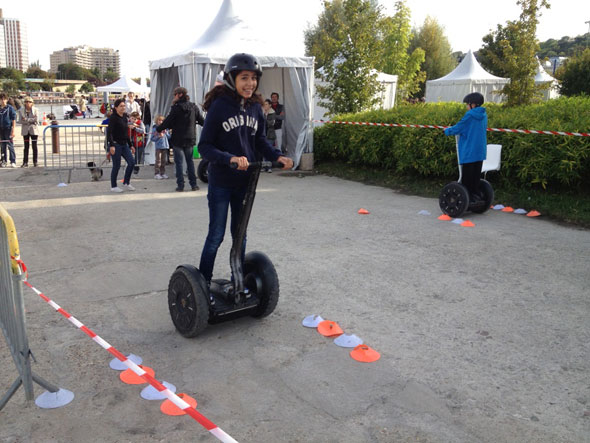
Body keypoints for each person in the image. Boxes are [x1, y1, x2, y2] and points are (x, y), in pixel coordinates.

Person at [198, 53, 293, 285]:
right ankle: (202, 284)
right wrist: (229, 158)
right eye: (244, 78)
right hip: (221, 183)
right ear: (232, 79)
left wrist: (278, 156)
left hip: (245, 184)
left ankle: (237, 281)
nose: (250, 83)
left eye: (253, 78)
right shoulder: (219, 107)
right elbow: (204, 146)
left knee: (240, 236)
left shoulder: (255, 108)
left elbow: (260, 141)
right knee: (216, 236)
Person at [156, 87, 204, 192]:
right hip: (190, 138)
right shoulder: (193, 107)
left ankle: (180, 185)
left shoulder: (176, 108)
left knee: (179, 162)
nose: (173, 97)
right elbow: (201, 121)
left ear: (180, 94)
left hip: (178, 139)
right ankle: (194, 185)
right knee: (190, 162)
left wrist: (158, 129)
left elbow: (167, 121)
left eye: (175, 95)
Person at [444, 92, 488, 203]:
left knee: (467, 180)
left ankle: (468, 200)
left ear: (473, 104)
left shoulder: (470, 115)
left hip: (469, 151)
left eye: (467, 104)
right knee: (475, 178)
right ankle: (476, 195)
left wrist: (447, 130)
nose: (466, 107)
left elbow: (459, 127)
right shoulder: (484, 115)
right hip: (480, 151)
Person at [107, 98, 136, 192]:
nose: (123, 107)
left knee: (131, 162)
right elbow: (109, 132)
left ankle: (126, 182)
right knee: (117, 165)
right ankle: (113, 186)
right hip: (115, 144)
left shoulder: (124, 117)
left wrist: (131, 145)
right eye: (121, 106)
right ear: (116, 107)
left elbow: (126, 132)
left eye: (124, 106)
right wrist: (111, 145)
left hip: (124, 144)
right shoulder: (113, 118)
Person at [18, 96, 39, 167]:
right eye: (26, 102)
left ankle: (35, 161)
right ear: (24, 103)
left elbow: (36, 120)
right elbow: (20, 121)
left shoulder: (35, 110)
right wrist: (30, 120)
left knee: (34, 146)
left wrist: (26, 120)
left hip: (33, 130)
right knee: (26, 146)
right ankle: (25, 162)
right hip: (25, 130)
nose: (28, 103)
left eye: (29, 102)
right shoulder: (21, 110)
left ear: (32, 103)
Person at [150, 114, 170, 180]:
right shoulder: (155, 128)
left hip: (165, 146)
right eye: (159, 120)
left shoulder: (165, 128)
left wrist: (166, 133)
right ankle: (156, 173)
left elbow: (169, 137)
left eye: (162, 120)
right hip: (158, 147)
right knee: (158, 160)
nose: (160, 122)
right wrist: (158, 136)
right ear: (156, 121)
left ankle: (163, 173)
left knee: (163, 160)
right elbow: (152, 138)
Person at [0, 92, 17, 168]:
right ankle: (3, 160)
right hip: (1, 129)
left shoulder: (10, 108)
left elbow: (13, 119)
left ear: (6, 100)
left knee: (10, 145)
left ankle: (13, 161)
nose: (2, 101)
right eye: (1, 99)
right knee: (2, 146)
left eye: (4, 99)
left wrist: (13, 130)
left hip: (8, 128)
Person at [262, 98, 276, 172]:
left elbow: (271, 124)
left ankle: (269, 166)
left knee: (269, 150)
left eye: (266, 104)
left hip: (270, 135)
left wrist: (265, 120)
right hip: (263, 134)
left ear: (270, 105)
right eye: (264, 104)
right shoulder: (262, 113)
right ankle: (265, 166)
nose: (265, 106)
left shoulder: (272, 113)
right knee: (264, 150)